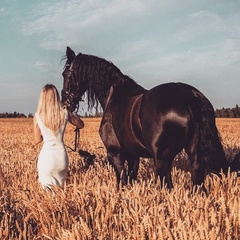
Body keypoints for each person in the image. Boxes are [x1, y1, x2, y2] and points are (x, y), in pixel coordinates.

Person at [33, 84, 84, 189]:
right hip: (61, 159)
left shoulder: (38, 116)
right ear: (56, 97)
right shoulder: (65, 112)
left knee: (46, 199)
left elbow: (37, 140)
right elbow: (80, 125)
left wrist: (46, 135)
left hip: (47, 159)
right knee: (61, 193)